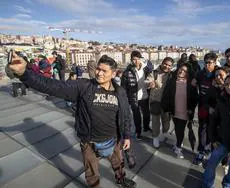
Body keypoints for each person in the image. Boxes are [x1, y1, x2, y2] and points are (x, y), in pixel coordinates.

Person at [7, 52, 136, 188]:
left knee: (118, 163)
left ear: (114, 74)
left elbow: (126, 115)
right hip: (89, 142)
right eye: (98, 69)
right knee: (91, 171)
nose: (99, 73)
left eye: (104, 71)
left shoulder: (119, 92)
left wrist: (126, 136)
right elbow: (53, 86)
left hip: (113, 139)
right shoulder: (84, 86)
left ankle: (121, 179)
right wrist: (24, 74)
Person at [202, 73, 230, 188]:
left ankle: (228, 184)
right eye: (226, 84)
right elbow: (213, 121)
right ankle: (207, 184)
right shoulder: (222, 101)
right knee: (212, 162)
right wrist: (213, 139)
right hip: (224, 139)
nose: (229, 87)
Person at [162, 63, 198, 158]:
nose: (182, 71)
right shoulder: (172, 81)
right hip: (174, 111)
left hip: (185, 112)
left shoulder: (191, 83)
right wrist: (166, 108)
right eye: (181, 69)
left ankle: (178, 148)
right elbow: (166, 95)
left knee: (180, 130)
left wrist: (191, 109)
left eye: (185, 71)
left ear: (188, 73)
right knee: (177, 129)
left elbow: (195, 98)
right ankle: (177, 144)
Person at [192, 52, 218, 165]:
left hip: (214, 107)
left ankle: (209, 151)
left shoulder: (218, 73)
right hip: (202, 105)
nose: (207, 65)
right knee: (202, 129)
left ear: (215, 62)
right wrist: (194, 82)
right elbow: (194, 82)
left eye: (210, 63)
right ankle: (201, 151)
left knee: (212, 130)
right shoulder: (200, 73)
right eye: (206, 62)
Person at [121, 50, 153, 140]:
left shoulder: (146, 69)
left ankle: (146, 127)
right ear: (131, 60)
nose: (136, 61)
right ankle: (138, 132)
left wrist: (151, 84)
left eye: (137, 59)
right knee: (137, 116)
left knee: (147, 114)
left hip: (145, 96)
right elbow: (123, 87)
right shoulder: (127, 72)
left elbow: (152, 77)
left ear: (140, 59)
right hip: (134, 97)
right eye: (133, 59)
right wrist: (125, 99)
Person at [148, 57, 174, 148]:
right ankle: (155, 137)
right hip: (155, 100)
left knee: (166, 119)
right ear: (162, 63)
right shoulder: (154, 72)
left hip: (167, 101)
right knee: (155, 120)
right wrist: (150, 84)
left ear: (171, 67)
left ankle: (165, 132)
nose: (167, 66)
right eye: (165, 64)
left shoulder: (172, 75)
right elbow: (148, 80)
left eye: (169, 65)